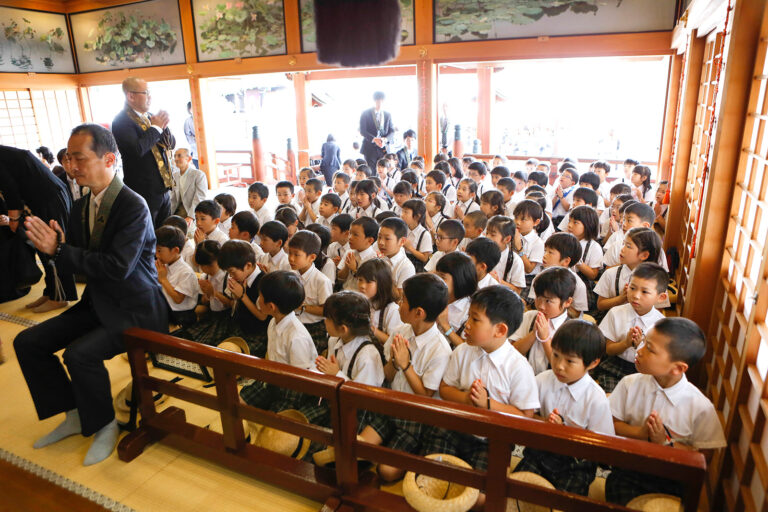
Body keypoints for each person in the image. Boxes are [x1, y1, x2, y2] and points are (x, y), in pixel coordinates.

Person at [14, 123, 167, 466]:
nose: (72, 166)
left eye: (79, 158)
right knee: (27, 343)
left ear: (108, 158)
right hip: (99, 303)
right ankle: (74, 415)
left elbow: (116, 267)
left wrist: (61, 250)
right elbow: (79, 264)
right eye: (69, 158)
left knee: (79, 354)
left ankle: (105, 425)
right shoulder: (82, 205)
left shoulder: (133, 205)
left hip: (135, 309)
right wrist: (55, 248)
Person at [606, 317, 726, 505]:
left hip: (672, 478)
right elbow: (611, 424)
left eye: (650, 349)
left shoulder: (700, 407)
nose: (639, 350)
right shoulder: (630, 384)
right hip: (630, 467)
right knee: (616, 490)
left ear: (677, 368)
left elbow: (704, 457)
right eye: (644, 342)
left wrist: (664, 442)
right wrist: (639, 433)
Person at [421, 286, 537, 471]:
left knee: (481, 496)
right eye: (468, 317)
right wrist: (466, 398)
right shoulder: (463, 351)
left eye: (475, 320)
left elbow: (525, 416)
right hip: (456, 426)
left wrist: (488, 404)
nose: (467, 324)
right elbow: (444, 388)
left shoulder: (519, 367)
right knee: (431, 470)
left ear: (500, 330)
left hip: (493, 439)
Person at [512, 320, 613, 496]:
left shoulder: (596, 398)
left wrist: (565, 433)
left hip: (575, 464)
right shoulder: (542, 380)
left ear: (593, 363)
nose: (559, 365)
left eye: (570, 361)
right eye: (556, 355)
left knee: (561, 501)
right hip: (539, 452)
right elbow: (524, 415)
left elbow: (601, 447)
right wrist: (543, 423)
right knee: (516, 492)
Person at [0, 145, 77, 312]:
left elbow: (9, 188)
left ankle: (60, 297)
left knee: (53, 248)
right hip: (41, 200)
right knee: (42, 249)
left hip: (49, 199)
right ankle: (51, 292)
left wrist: (13, 218)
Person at [591, 263, 667, 393]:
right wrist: (626, 343)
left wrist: (640, 347)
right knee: (612, 397)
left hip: (645, 372)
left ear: (660, 297)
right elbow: (608, 349)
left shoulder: (661, 324)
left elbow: (659, 360)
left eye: (644, 292)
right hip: (615, 366)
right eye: (632, 288)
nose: (636, 295)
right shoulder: (616, 312)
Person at [112, 77, 176, 228]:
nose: (150, 97)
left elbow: (170, 144)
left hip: (163, 187)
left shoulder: (150, 117)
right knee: (149, 233)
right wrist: (156, 128)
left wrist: (164, 127)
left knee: (166, 231)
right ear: (131, 96)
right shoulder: (121, 121)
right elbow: (137, 150)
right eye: (146, 93)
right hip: (143, 190)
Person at [170, 148, 207, 223]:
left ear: (189, 158)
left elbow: (200, 197)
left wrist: (191, 217)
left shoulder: (198, 175)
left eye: (179, 156)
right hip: (177, 212)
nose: (176, 159)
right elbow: (172, 199)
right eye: (175, 156)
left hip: (193, 213)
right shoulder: (174, 176)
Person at [359, 91, 394, 170]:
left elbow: (392, 131)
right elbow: (362, 130)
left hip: (383, 148)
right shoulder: (365, 113)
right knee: (371, 172)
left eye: (382, 101)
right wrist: (374, 139)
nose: (380, 103)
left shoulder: (387, 114)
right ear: (374, 101)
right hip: (370, 148)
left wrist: (385, 139)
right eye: (378, 101)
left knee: (383, 171)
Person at [183, 101, 198, 168]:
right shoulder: (188, 121)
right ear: (189, 110)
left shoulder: (203, 119)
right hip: (195, 153)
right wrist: (197, 139)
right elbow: (189, 138)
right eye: (192, 108)